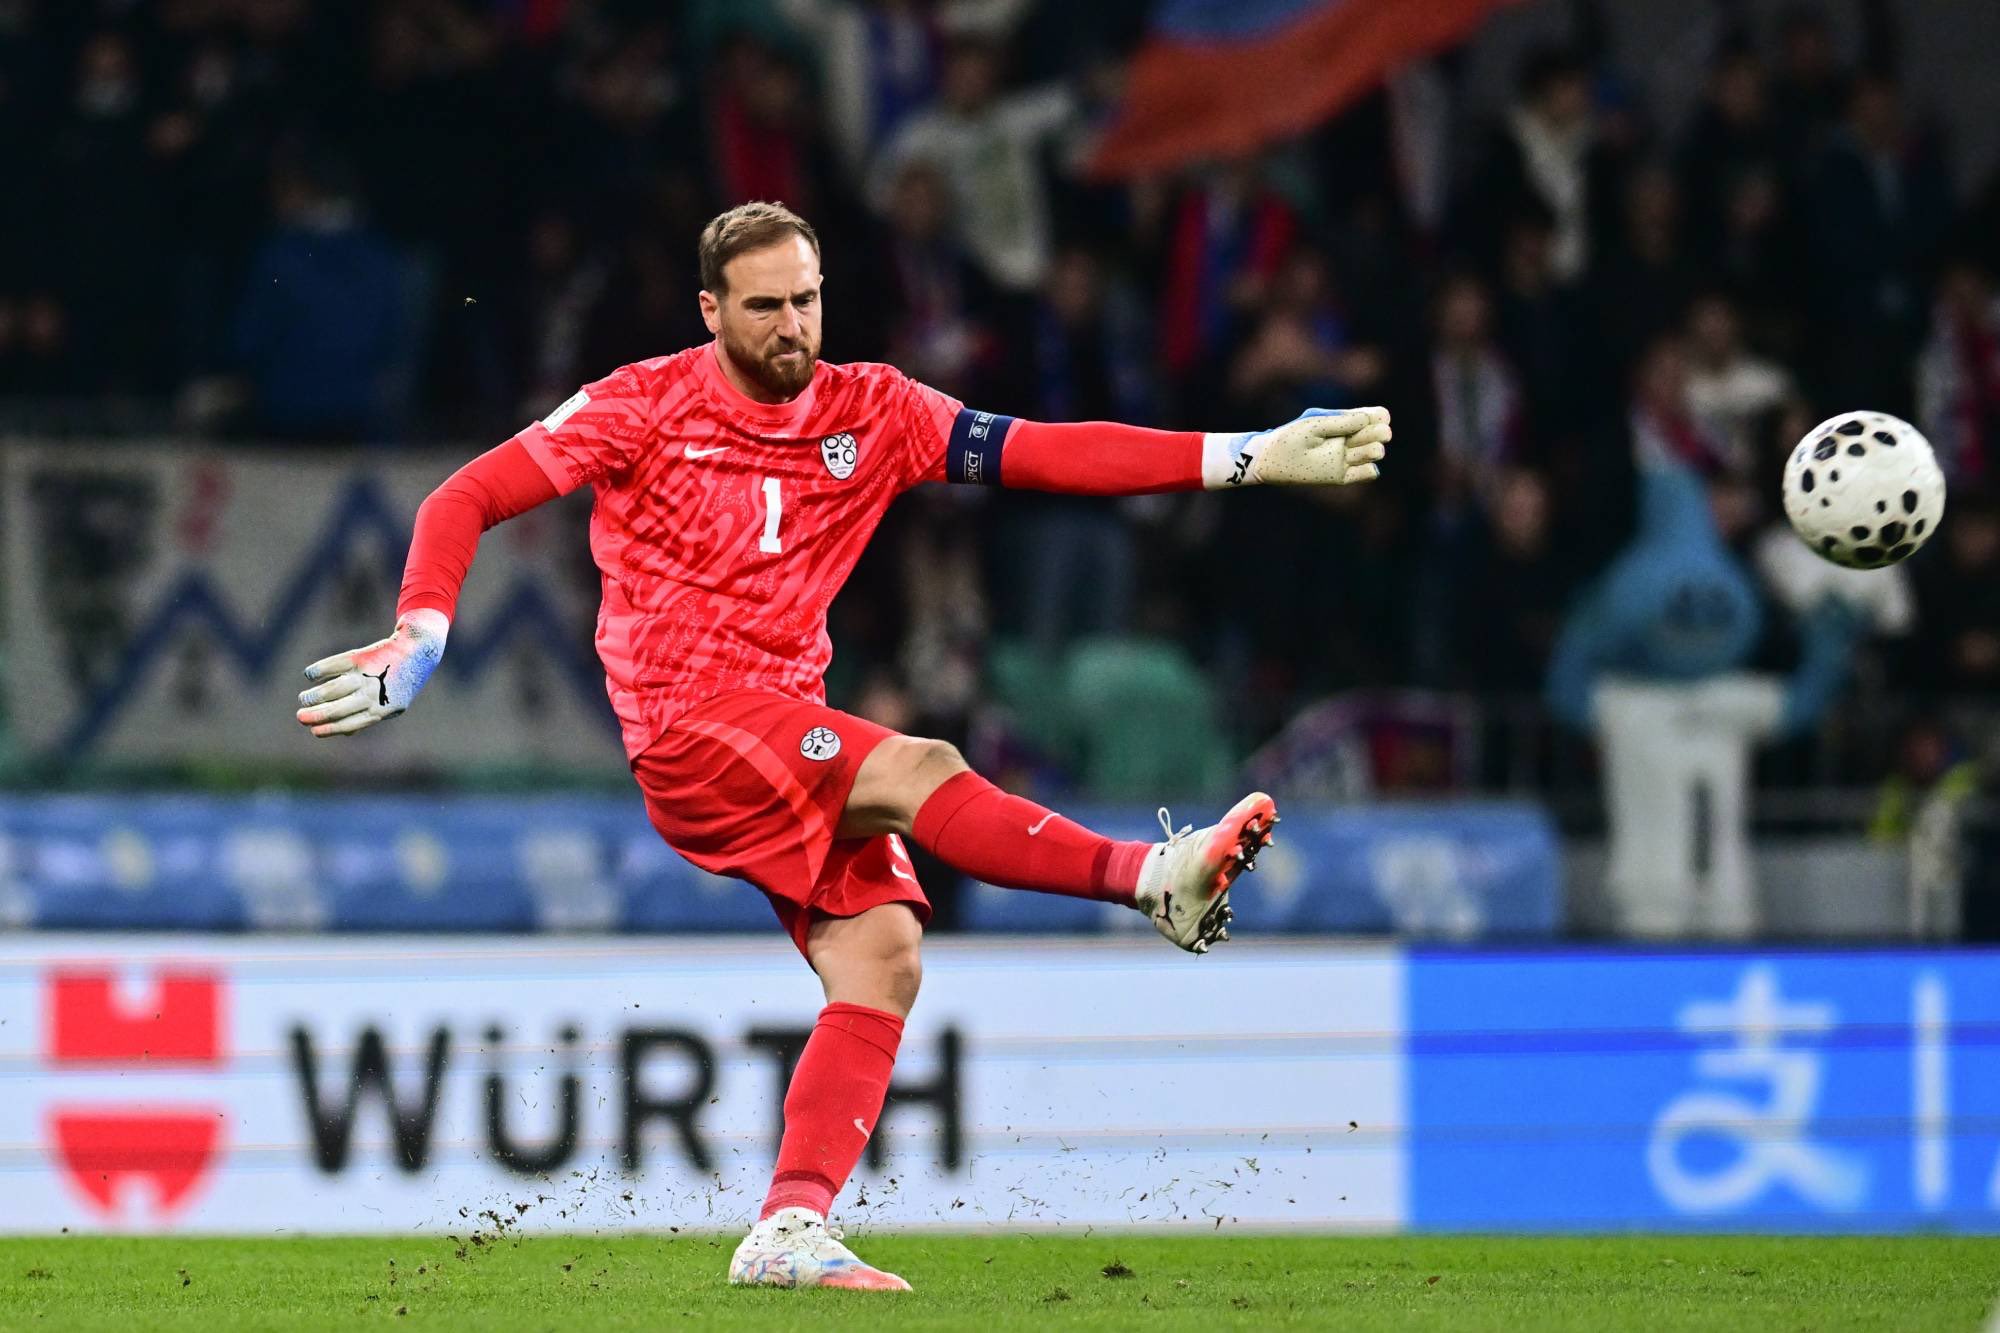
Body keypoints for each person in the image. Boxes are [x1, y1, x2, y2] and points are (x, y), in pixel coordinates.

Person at [291, 202, 1390, 1290]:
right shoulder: (641, 404)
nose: (791, 326)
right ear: (710, 309)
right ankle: (1149, 876)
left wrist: (1249, 455)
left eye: (806, 301)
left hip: (782, 727)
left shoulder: (879, 410)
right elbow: (467, 494)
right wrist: (422, 631)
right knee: (922, 766)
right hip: (688, 728)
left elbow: (1047, 452)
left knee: (883, 954)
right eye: (764, 306)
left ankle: (788, 1226)